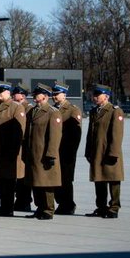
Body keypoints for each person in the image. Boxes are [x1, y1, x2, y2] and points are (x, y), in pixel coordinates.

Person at [84, 84, 124, 219]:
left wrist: (113, 153)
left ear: (106, 96)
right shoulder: (94, 111)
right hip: (97, 152)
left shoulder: (114, 111)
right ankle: (101, 207)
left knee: (113, 180)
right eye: (94, 95)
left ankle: (114, 207)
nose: (94, 98)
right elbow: (91, 133)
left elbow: (117, 135)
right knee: (99, 179)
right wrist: (88, 150)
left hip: (109, 152)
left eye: (97, 95)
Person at [25, 84, 62, 219]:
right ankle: (40, 208)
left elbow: (55, 136)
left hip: (44, 154)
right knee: (36, 182)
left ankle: (48, 209)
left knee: (46, 183)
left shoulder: (52, 112)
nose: (34, 97)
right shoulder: (33, 111)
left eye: (37, 95)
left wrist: (51, 154)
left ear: (45, 97)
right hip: (33, 153)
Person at [0, 82, 27, 216]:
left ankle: (8, 207)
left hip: (9, 152)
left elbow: (19, 132)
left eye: (1, 91)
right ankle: (4, 206)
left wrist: (13, 152)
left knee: (8, 181)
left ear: (8, 93)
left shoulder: (15, 108)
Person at [52, 82, 83, 215]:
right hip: (55, 150)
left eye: (57, 94)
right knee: (56, 178)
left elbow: (76, 133)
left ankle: (69, 204)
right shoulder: (53, 109)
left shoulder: (72, 110)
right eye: (53, 94)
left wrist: (71, 151)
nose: (54, 96)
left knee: (66, 179)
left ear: (64, 94)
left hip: (66, 150)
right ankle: (61, 202)